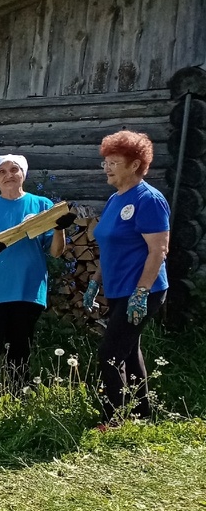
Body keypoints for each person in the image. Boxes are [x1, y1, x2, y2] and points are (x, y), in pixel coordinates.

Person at [0, 154, 73, 404]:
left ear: (23, 174)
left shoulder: (41, 204)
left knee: (20, 350)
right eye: (2, 172)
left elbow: (56, 251)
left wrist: (60, 227)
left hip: (27, 290)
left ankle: (17, 404)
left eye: (14, 170)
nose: (9, 175)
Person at [85, 130, 170, 425]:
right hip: (118, 288)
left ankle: (114, 419)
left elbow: (158, 250)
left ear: (135, 164)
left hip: (143, 290)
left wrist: (141, 292)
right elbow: (109, 246)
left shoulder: (149, 200)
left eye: (114, 162)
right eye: (105, 162)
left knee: (109, 353)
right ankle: (141, 415)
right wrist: (95, 281)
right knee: (129, 351)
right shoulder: (114, 200)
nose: (106, 167)